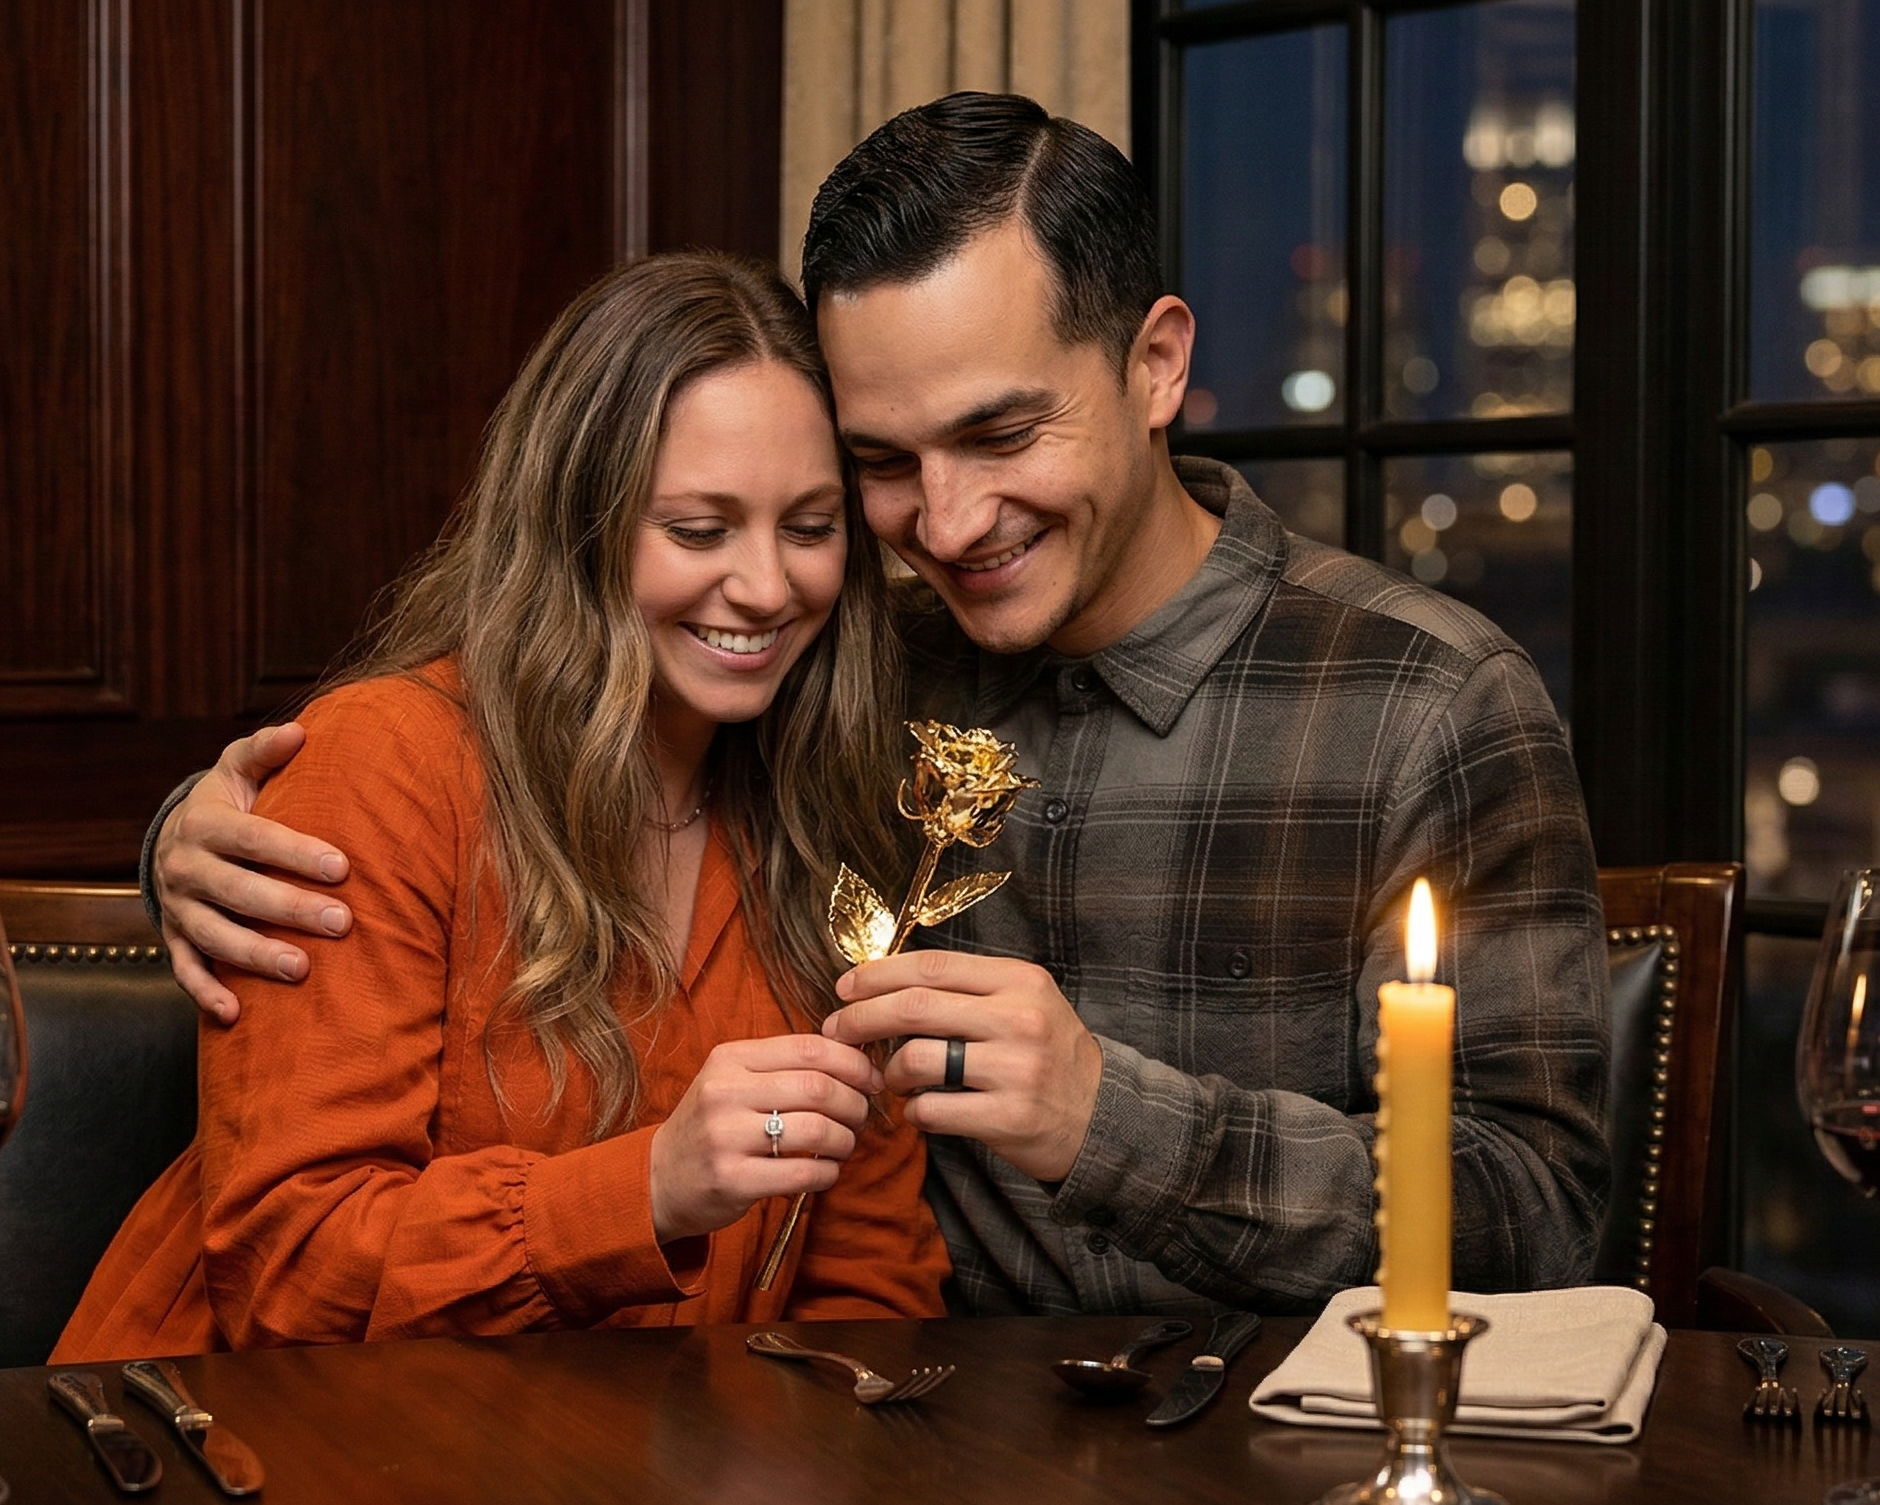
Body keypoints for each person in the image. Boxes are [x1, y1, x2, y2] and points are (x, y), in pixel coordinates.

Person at [143, 94, 1609, 1319]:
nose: (948, 523)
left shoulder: (1424, 700)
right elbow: (478, 757)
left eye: (1001, 431)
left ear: (1157, 363)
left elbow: (1540, 1221)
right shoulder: (832, 675)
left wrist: (1114, 1119)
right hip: (892, 1424)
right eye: (883, 466)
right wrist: (185, 840)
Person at [53, 252, 946, 1360]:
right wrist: (646, 1190)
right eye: (697, 529)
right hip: (250, 1427)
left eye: (810, 528)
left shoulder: (828, 817)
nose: (768, 587)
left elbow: (868, 1278)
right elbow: (291, 1271)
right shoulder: (385, 766)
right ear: (578, 526)